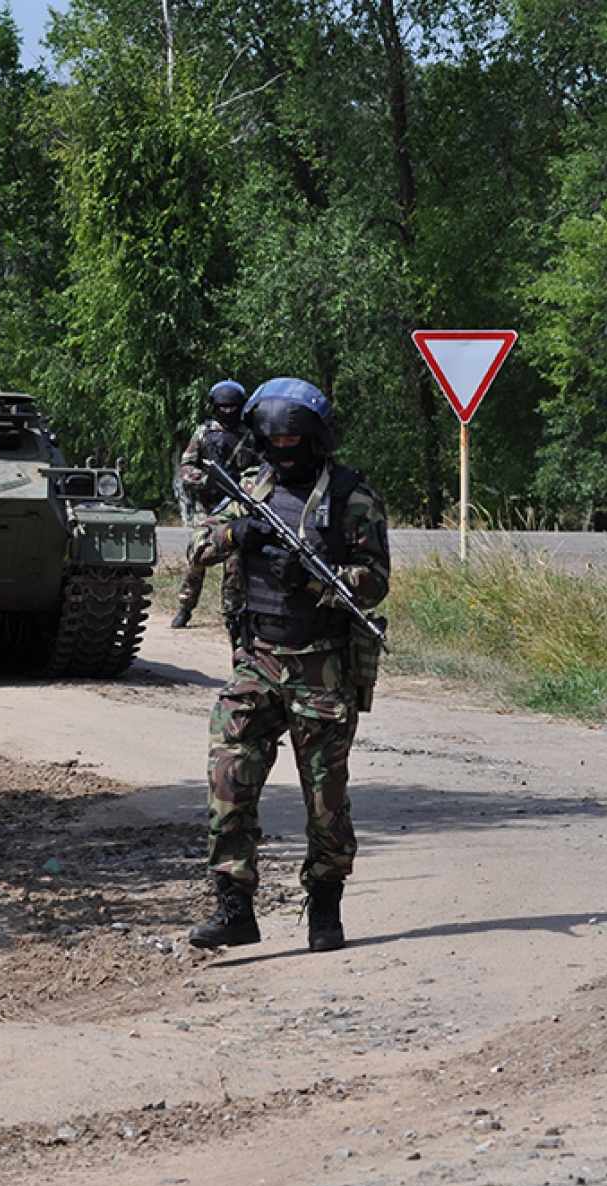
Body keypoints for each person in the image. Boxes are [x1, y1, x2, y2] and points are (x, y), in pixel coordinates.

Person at [183, 378, 389, 953]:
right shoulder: (250, 487)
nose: (284, 450)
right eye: (275, 440)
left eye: (295, 440)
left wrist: (323, 576)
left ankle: (325, 909)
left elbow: (375, 583)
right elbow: (197, 545)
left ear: (317, 438)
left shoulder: (352, 498)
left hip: (322, 668)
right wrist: (238, 532)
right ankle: (233, 907)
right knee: (228, 777)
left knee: (326, 801)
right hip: (256, 661)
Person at [171, 380, 258, 630]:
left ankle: (232, 613)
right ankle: (185, 607)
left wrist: (246, 486)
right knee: (197, 557)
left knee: (235, 562)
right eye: (223, 407)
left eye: (233, 407)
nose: (228, 411)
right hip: (207, 507)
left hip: (237, 505)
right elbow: (186, 466)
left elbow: (263, 468)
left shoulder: (250, 436)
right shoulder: (204, 433)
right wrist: (204, 480)